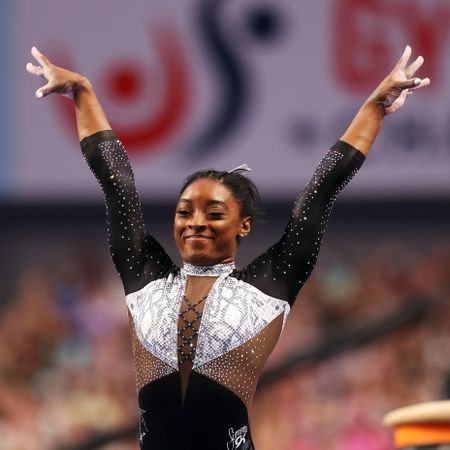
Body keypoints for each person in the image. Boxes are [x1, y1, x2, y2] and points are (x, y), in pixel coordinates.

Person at [26, 45, 429, 450]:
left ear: (244, 226)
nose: (196, 222)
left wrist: (374, 107)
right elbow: (117, 183)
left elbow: (319, 193)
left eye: (214, 213)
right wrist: (84, 93)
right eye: (185, 212)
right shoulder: (145, 280)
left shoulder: (266, 290)